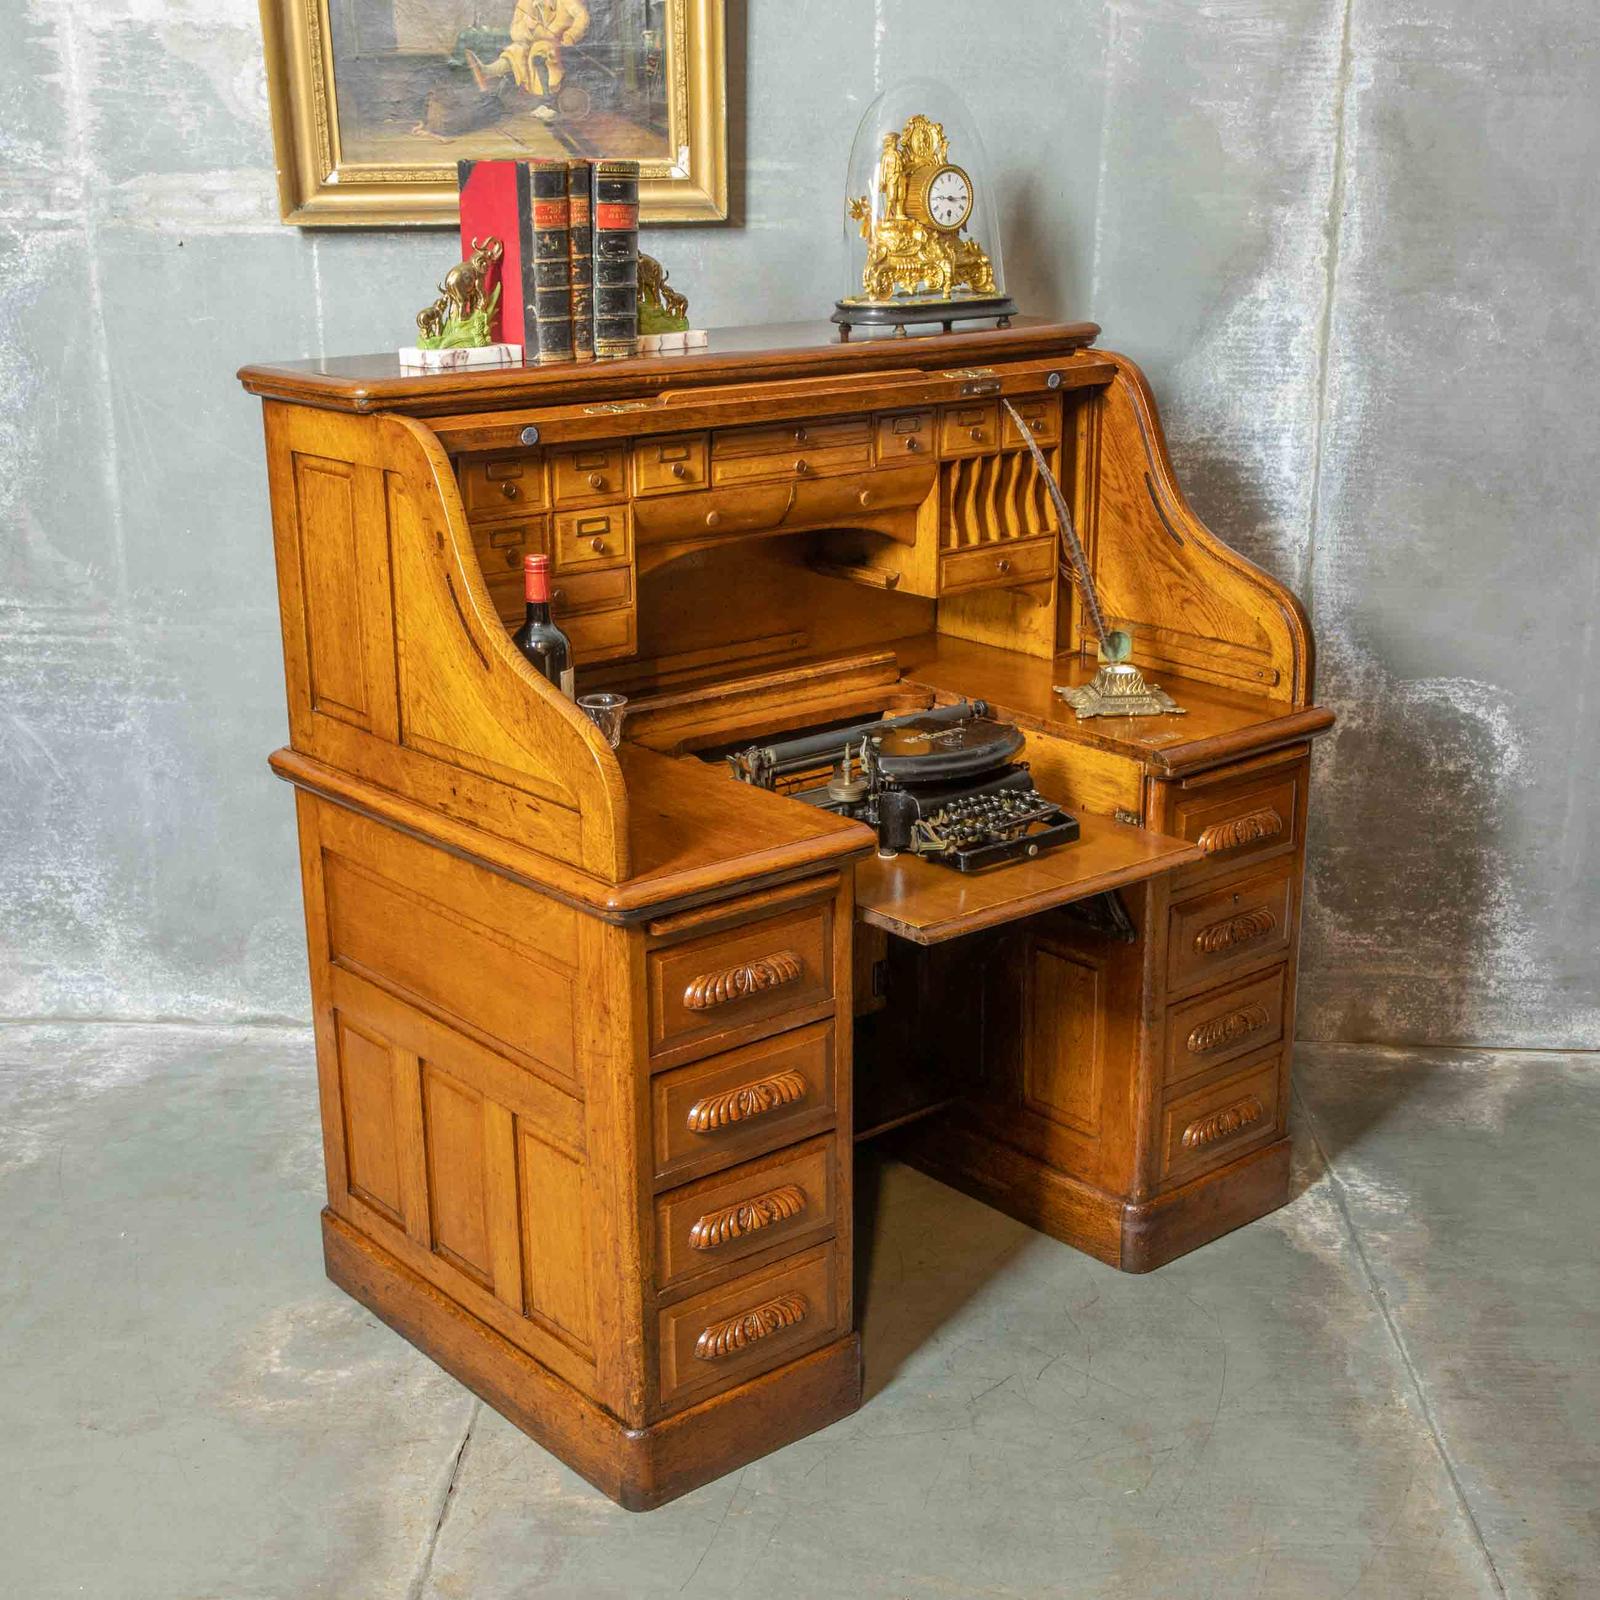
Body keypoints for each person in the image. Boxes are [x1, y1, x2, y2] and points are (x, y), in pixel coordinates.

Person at [468, 0, 591, 122]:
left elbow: (582, 17)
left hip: (561, 45)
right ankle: (489, 71)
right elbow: (515, 33)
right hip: (534, 43)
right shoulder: (524, 3)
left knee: (541, 50)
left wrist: (570, 35)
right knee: (517, 49)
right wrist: (528, 27)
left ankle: (547, 102)